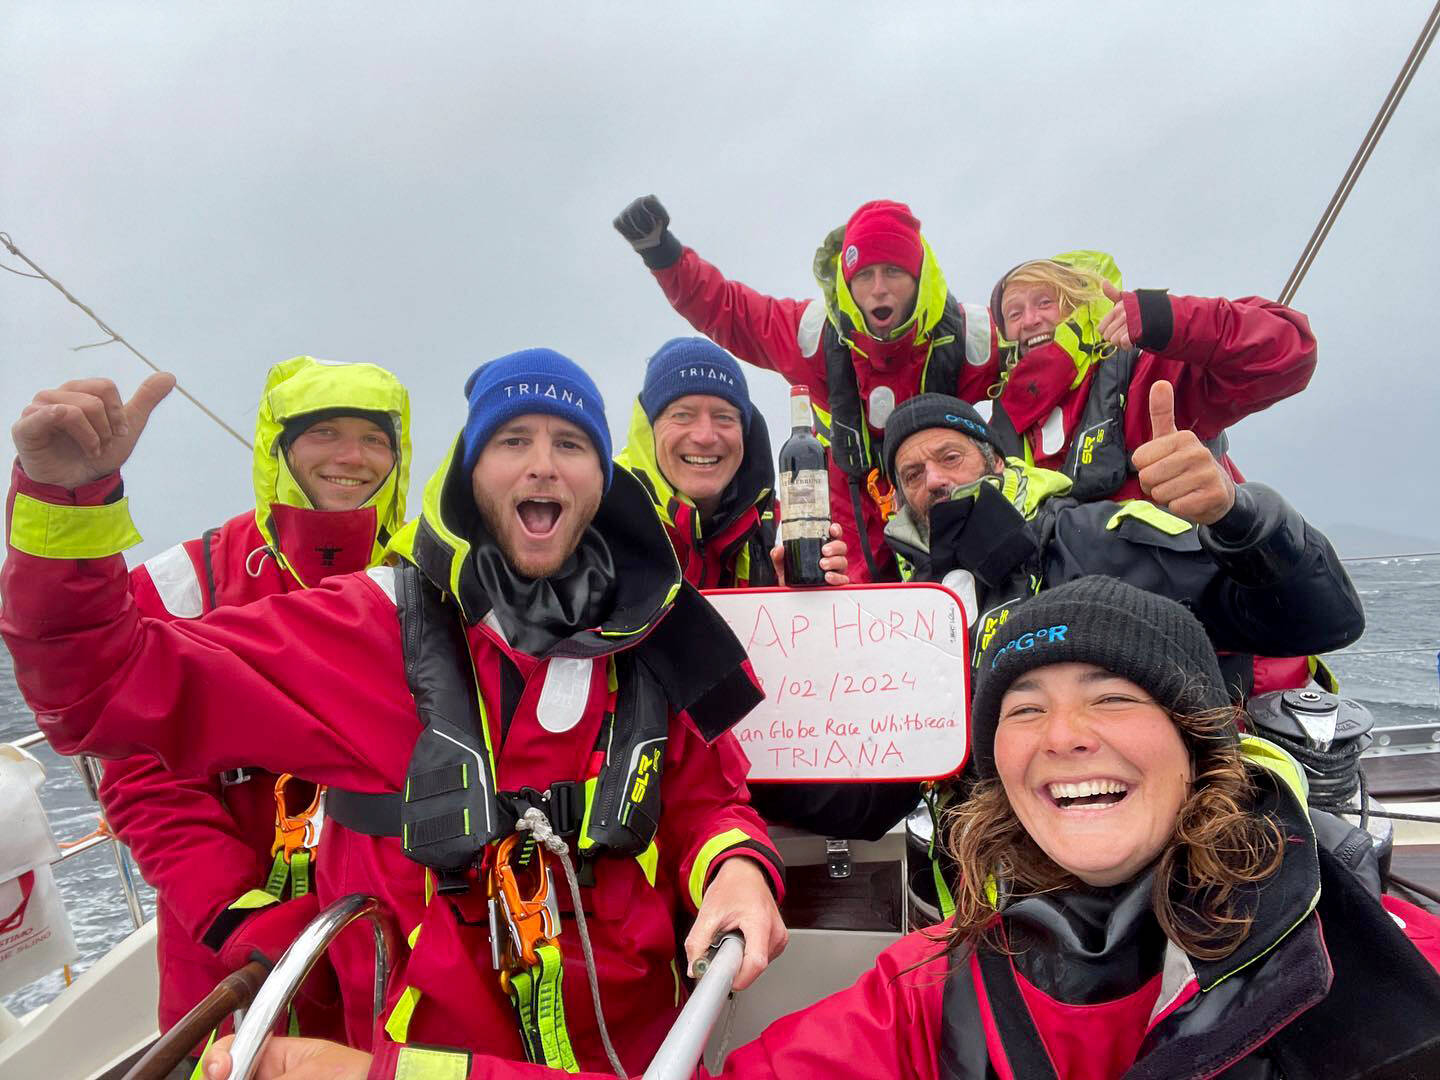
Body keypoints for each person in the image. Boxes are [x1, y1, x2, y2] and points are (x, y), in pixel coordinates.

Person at [198, 578, 1440, 1080]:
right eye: (1028, 712)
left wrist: (729, 856)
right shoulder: (930, 990)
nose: (1067, 739)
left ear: (1203, 743)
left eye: (1115, 701)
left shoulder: (1374, 953)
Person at [2, 350, 788, 1078]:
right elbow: (99, 689)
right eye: (512, 440)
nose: (543, 463)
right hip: (434, 1055)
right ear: (470, 472)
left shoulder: (654, 623)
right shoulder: (376, 631)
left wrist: (737, 868)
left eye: (570, 444)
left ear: (601, 477)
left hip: (642, 1045)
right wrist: (66, 507)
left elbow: (706, 799)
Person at [96, 355, 410, 1041]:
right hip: (226, 956)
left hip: (384, 943)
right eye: (324, 432)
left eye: (374, 438)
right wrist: (235, 912)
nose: (351, 456)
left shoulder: (425, 582)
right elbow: (140, 777)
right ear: (279, 447)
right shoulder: (181, 585)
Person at [614, 195, 1000, 585]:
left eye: (893, 271)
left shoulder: (974, 337)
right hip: (846, 535)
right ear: (848, 283)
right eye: (864, 275)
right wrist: (663, 254)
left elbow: (1048, 345)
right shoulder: (813, 336)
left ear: (919, 277)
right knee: (849, 624)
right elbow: (732, 310)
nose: (879, 289)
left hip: (942, 507)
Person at [881, 385, 1363, 697]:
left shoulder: (1088, 538)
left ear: (998, 463)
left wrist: (1237, 516)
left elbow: (1318, 621)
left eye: (950, 456)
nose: (936, 479)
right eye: (913, 474)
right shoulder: (908, 605)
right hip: (967, 847)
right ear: (902, 498)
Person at [986, 251, 1315, 502]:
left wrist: (1166, 319)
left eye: (1045, 302)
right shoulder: (999, 431)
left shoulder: (1147, 375)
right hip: (1062, 590)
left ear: (1077, 304)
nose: (1029, 320)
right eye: (1014, 313)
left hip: (1179, 582)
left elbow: (1287, 351)